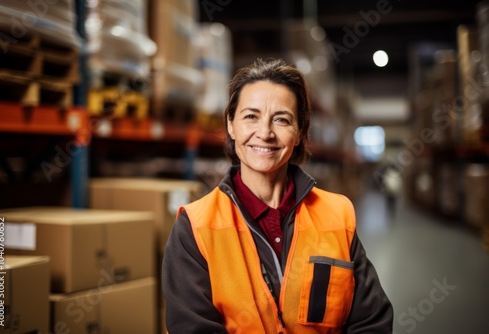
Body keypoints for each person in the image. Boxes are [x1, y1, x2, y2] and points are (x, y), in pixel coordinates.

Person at [162, 58, 393, 333]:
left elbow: (371, 323)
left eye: (281, 120)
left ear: (299, 133)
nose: (265, 133)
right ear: (231, 125)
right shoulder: (196, 227)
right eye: (251, 116)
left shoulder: (337, 214)